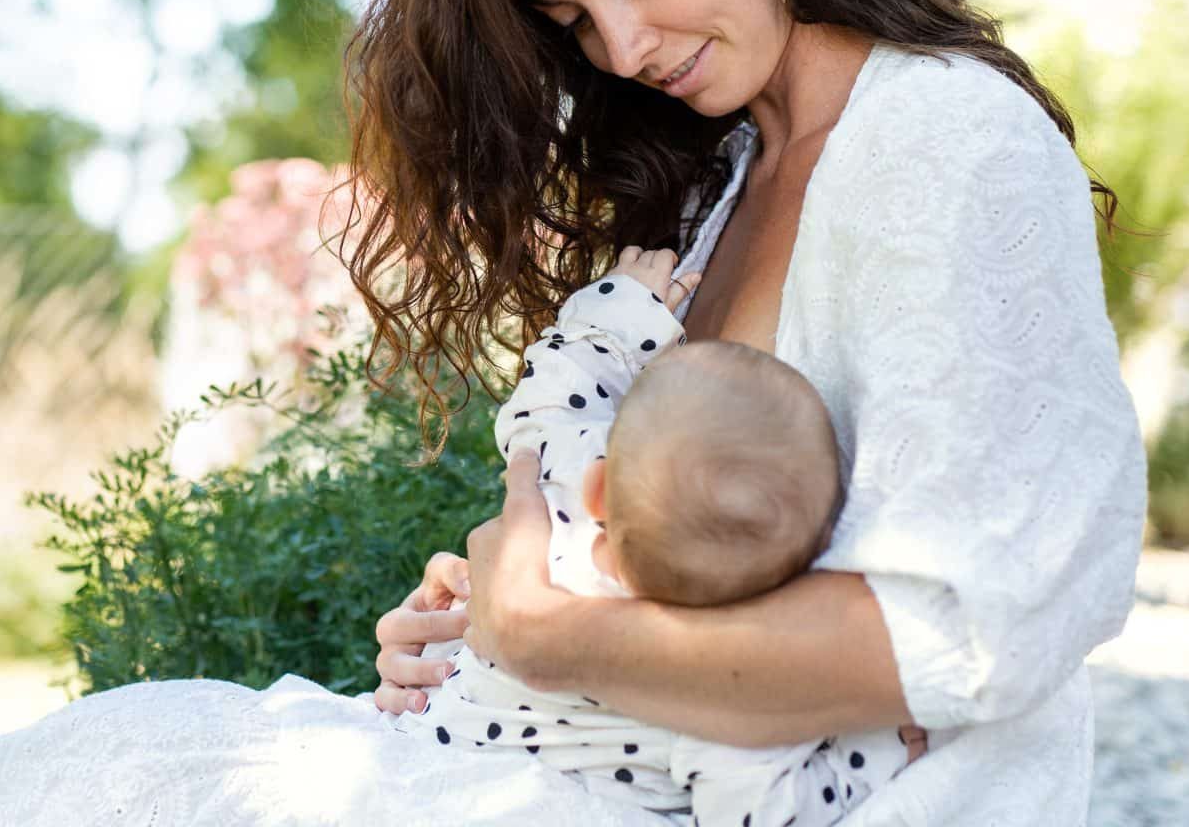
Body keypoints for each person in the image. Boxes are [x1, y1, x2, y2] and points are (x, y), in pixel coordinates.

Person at [0, 0, 1145, 824]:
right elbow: (662, 558)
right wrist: (477, 645)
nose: (619, 49)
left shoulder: (943, 145)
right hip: (637, 777)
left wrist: (547, 634)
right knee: (138, 766)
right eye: (570, 17)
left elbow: (969, 629)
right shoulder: (719, 180)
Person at [391, 244, 912, 826]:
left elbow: (547, 401)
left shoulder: (562, 487)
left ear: (599, 489)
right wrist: (876, 748)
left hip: (432, 764)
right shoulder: (716, 691)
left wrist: (623, 309)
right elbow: (760, 812)